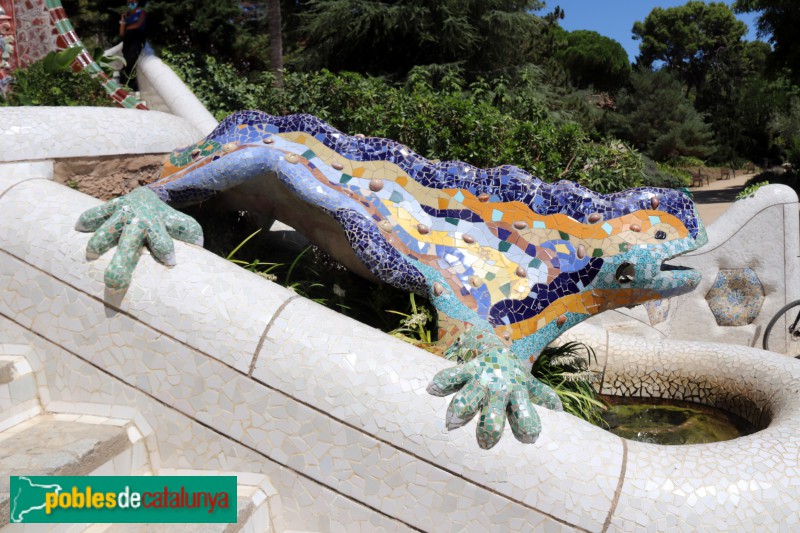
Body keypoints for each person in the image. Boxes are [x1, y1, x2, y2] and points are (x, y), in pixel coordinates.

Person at [119, 0, 146, 91]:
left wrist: (127, 27)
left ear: (137, 2)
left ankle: (131, 83)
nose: (131, 4)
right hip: (127, 40)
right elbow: (122, 33)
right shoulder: (126, 15)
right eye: (129, 2)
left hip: (137, 39)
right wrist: (122, 21)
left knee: (132, 60)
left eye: (133, 1)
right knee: (127, 60)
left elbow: (138, 24)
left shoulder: (141, 13)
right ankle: (125, 81)